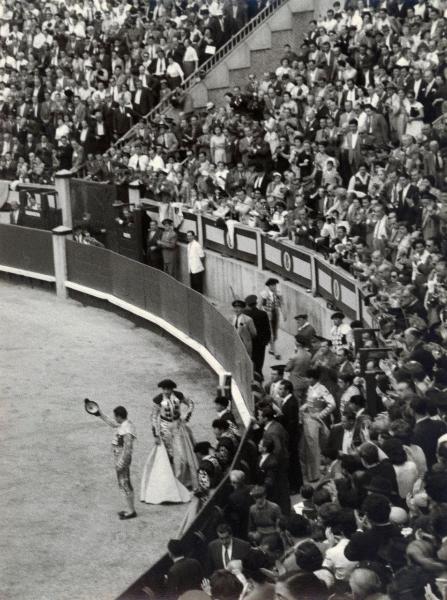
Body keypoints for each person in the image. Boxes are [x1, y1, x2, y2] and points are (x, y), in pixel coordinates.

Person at [151, 379, 198, 489]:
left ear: (172, 389)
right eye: (164, 389)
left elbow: (191, 404)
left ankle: (182, 482)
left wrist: (186, 417)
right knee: (168, 456)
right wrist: (156, 435)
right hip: (164, 428)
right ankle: (169, 482)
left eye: (168, 389)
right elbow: (153, 417)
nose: (166, 391)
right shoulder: (158, 400)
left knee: (182, 456)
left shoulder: (179, 395)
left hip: (177, 426)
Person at [98, 405, 137, 520]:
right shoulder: (125, 424)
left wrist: (121, 462)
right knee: (124, 484)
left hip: (122, 458)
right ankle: (130, 509)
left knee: (125, 484)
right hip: (120, 457)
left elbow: (128, 448)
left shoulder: (127, 430)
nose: (115, 419)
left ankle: (131, 511)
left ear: (119, 417)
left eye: (116, 417)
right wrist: (99, 413)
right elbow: (112, 423)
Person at [244, 294, 272, 377]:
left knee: (249, 358)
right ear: (256, 303)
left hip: (248, 341)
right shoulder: (262, 314)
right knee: (259, 359)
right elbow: (267, 328)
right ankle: (258, 374)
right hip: (260, 342)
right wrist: (266, 341)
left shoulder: (244, 315)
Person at [259, 278, 284, 360]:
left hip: (275, 313)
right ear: (269, 286)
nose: (274, 287)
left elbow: (282, 303)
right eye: (272, 285)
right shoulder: (265, 294)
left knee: (275, 333)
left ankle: (271, 349)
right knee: (271, 333)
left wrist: (284, 313)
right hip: (267, 314)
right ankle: (275, 352)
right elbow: (260, 305)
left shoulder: (278, 293)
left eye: (275, 285)